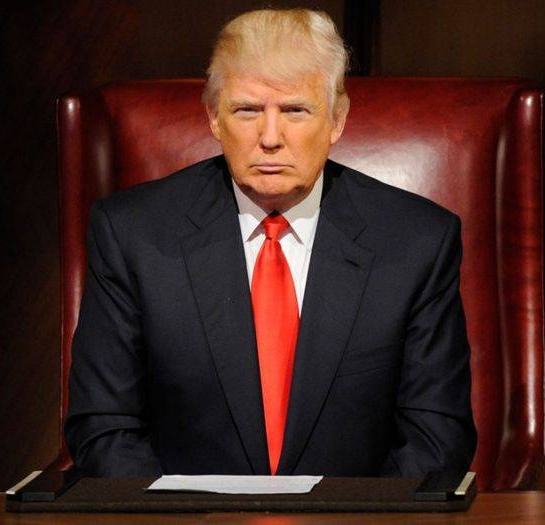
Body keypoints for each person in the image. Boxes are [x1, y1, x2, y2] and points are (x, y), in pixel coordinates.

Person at [65, 8, 476, 478]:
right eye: (247, 110)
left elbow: (435, 441)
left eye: (296, 110)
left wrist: (352, 514)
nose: (270, 138)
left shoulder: (417, 243)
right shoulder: (132, 235)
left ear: (337, 119)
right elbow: (103, 428)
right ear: (213, 118)